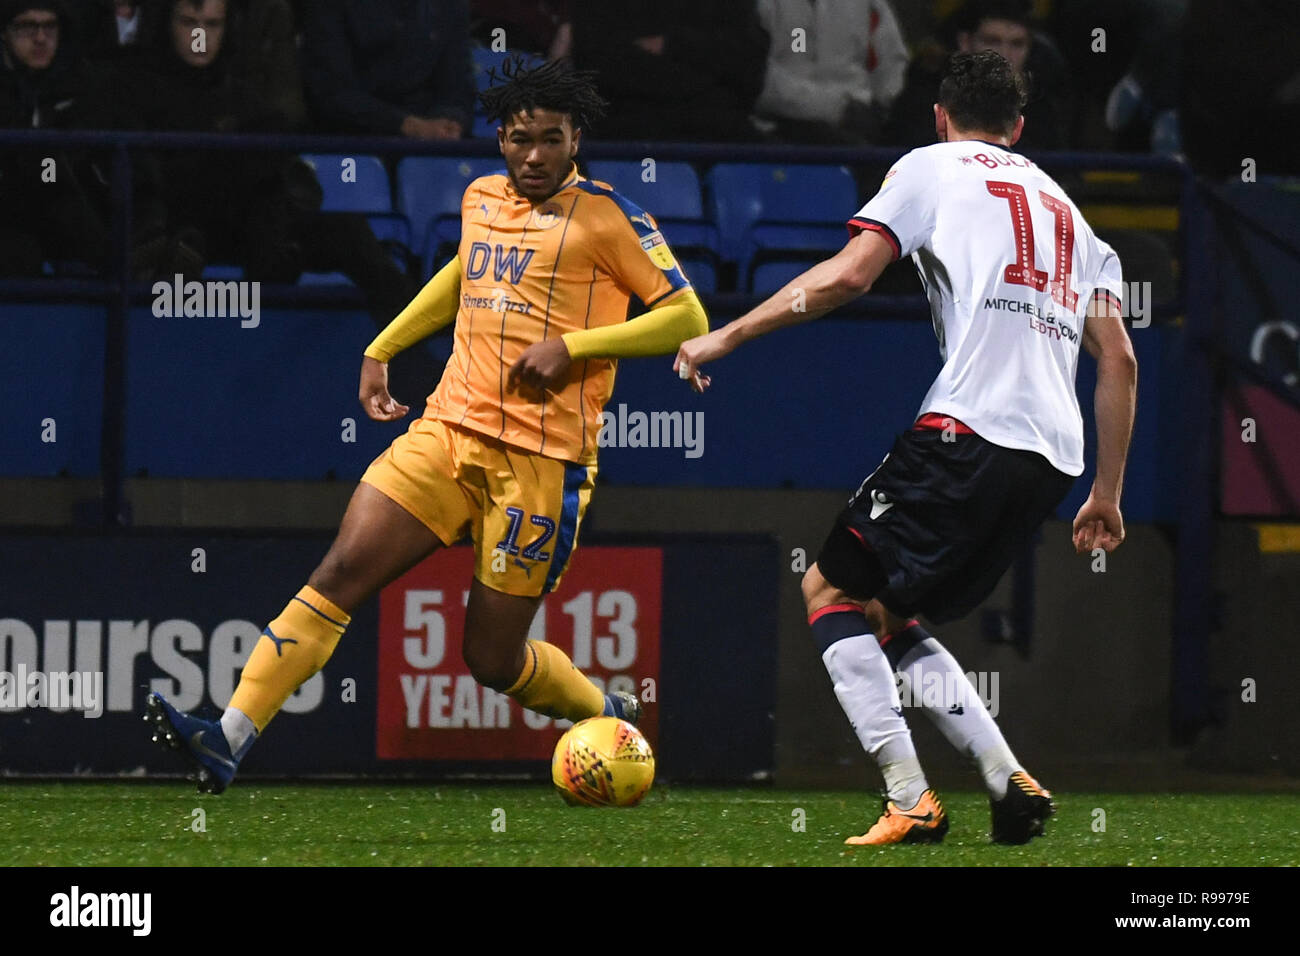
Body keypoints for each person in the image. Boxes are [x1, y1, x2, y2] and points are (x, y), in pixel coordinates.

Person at [146, 58, 710, 794]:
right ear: (499, 140)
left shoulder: (609, 217)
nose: (532, 154)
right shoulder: (480, 197)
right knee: (340, 574)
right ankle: (228, 738)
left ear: (576, 139)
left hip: (540, 463)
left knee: (492, 658)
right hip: (447, 432)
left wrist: (574, 345)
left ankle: (603, 710)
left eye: (549, 138)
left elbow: (686, 315)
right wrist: (385, 345)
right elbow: (463, 273)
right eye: (517, 138)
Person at [675, 51, 1136, 845]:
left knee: (826, 589)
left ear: (939, 115)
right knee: (888, 607)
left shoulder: (931, 166)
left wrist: (731, 332)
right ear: (1018, 129)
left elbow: (851, 276)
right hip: (1051, 461)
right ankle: (1006, 777)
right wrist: (1107, 492)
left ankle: (909, 796)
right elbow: (1120, 361)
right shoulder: (1074, 214)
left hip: (968, 427)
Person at [301, 0, 473, 139]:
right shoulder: (329, 6)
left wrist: (450, 122)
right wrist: (404, 124)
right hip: (352, 139)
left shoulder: (449, 5)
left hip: (434, 142)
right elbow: (331, 91)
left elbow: (458, 85)